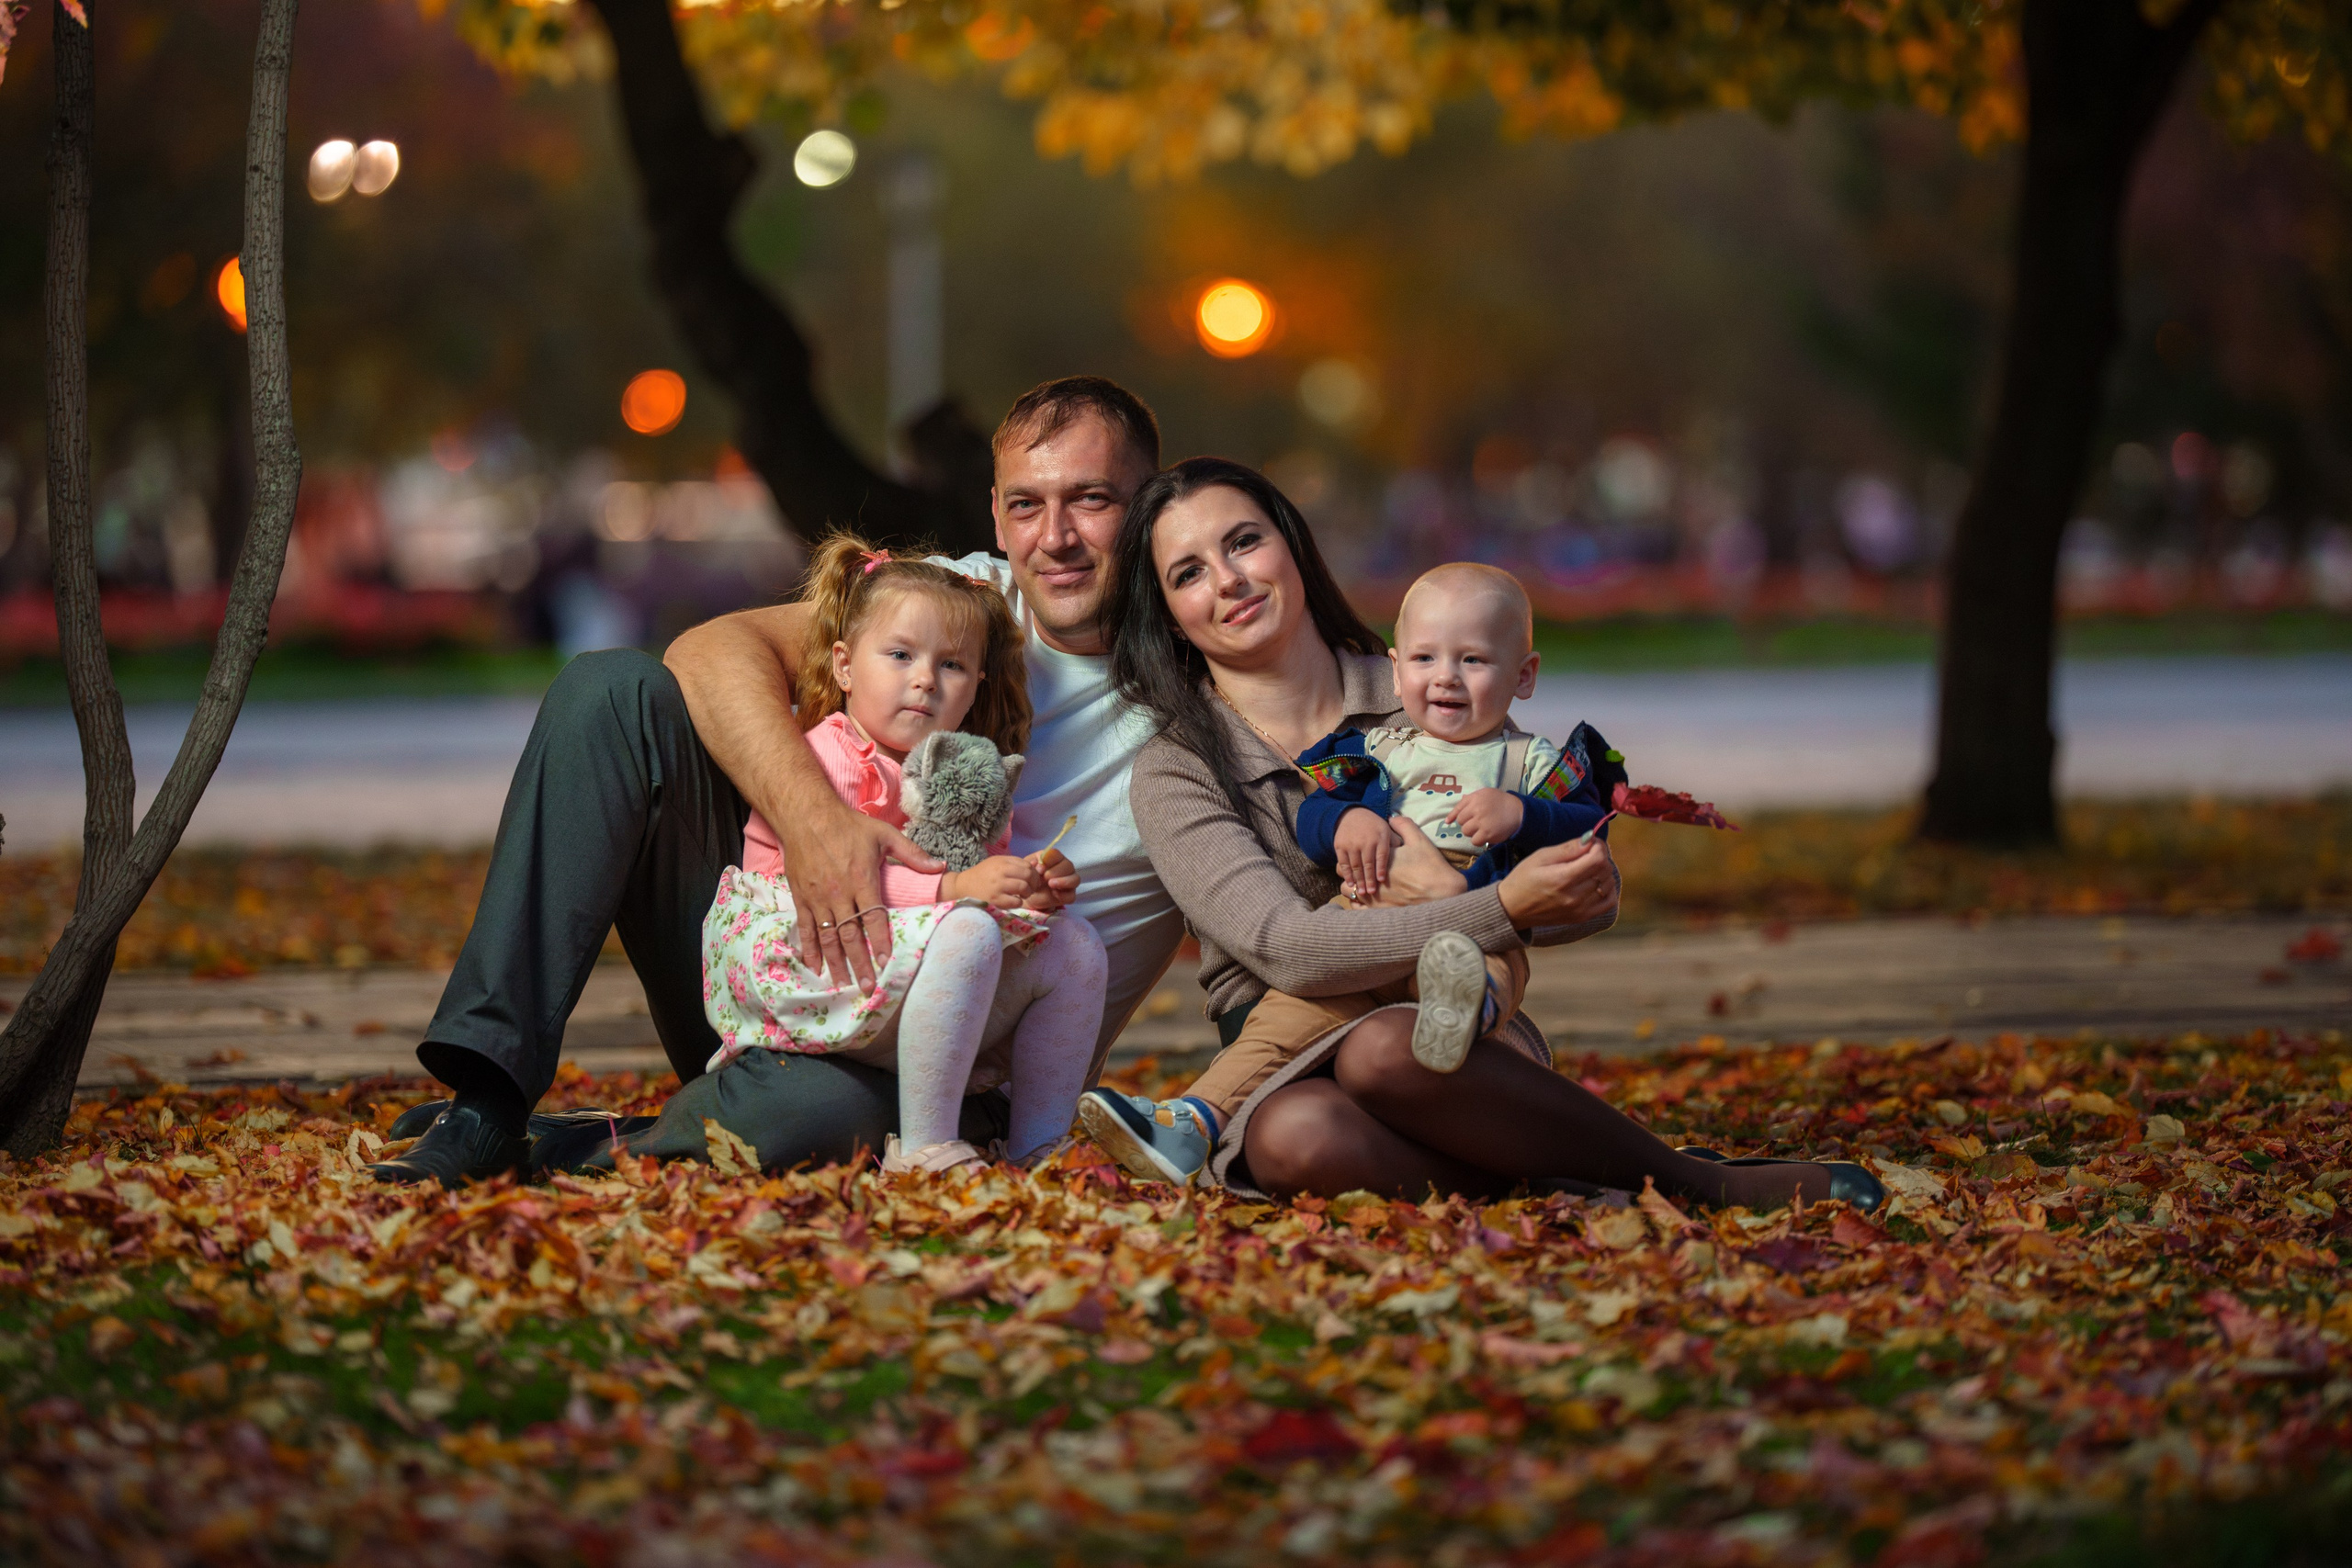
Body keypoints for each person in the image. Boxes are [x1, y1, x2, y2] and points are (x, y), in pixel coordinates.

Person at [370, 377, 1180, 1185]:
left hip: (956, 1075)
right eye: (1028, 505)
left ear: (1150, 508)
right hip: (793, 975)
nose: (1057, 536)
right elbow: (710, 652)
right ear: (998, 516)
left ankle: (582, 1144)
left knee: (819, 1122)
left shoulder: (1205, 693)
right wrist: (814, 822)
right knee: (611, 694)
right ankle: (486, 1099)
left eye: (1093, 499)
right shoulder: (960, 604)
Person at [1079, 456, 1883, 1212]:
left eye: (1244, 541)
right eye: (1188, 572)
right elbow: (1283, 947)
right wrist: (1491, 905)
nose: (1228, 580)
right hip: (1276, 1044)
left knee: (1387, 1050)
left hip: (1451, 1029)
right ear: (1172, 618)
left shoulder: (1426, 682)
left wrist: (1569, 882)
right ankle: (1579, 1188)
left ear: (1290, 546)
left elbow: (1569, 887)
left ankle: (1696, 1183)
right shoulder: (1177, 769)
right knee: (1297, 1139)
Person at [1079, 559, 1623, 1182]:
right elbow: (1317, 817)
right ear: (1398, 668)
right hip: (1359, 933)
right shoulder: (1376, 748)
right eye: (1425, 660)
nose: (1446, 677)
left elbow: (1587, 835)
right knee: (1280, 1022)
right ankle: (1194, 1119)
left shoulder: (1526, 760)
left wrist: (1524, 815)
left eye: (1472, 661)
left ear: (1523, 676)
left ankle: (1463, 1024)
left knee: (1478, 973)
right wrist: (1345, 824)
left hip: (1469, 938)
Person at [684, 536, 1102, 1175]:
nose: (924, 680)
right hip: (804, 949)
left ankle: (1037, 1146)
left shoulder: (969, 770)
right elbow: (861, 882)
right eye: (901, 655)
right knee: (964, 926)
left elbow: (973, 873)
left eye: (952, 666)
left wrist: (1028, 885)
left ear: (976, 684)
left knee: (1075, 945)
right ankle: (925, 1147)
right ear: (846, 666)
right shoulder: (829, 755)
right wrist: (962, 889)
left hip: (902, 960)